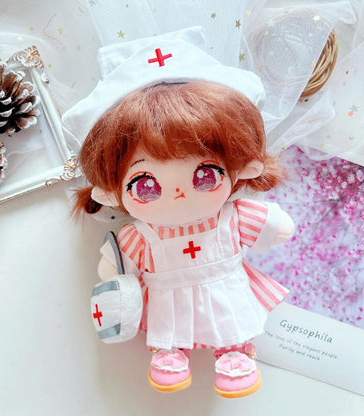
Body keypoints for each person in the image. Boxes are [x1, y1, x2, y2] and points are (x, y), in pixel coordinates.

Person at [66, 28, 294, 398]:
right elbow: (115, 265)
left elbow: (277, 227)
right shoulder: (140, 235)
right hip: (167, 298)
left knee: (229, 314)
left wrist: (275, 224)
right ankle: (170, 351)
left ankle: (235, 351)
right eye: (146, 184)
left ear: (238, 167)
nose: (177, 193)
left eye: (204, 175)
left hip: (223, 288)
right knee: (168, 320)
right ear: (111, 191)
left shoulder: (231, 217)